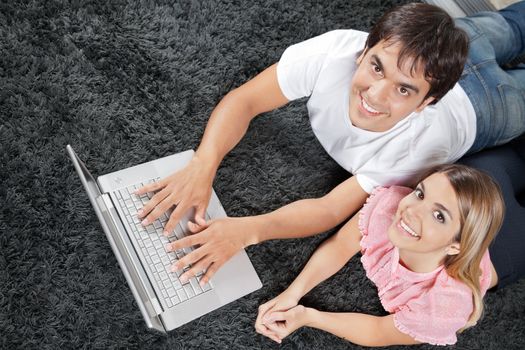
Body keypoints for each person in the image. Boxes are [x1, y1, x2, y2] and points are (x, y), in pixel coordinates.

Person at [135, 2, 525, 285]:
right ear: (364, 49)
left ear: (426, 103)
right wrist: (203, 165)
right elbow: (246, 100)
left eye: (403, 90)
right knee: (515, 25)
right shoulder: (335, 49)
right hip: (467, 42)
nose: (375, 94)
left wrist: (246, 231)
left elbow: (329, 208)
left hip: (490, 106)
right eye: (376, 66)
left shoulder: (422, 146)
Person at [254, 164, 505, 346]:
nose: (411, 211)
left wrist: (310, 317)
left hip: (505, 257)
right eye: (420, 193)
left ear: (455, 247)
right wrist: (292, 293)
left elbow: (378, 332)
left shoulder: (441, 308)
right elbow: (340, 245)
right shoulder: (390, 206)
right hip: (488, 178)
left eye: (438, 216)